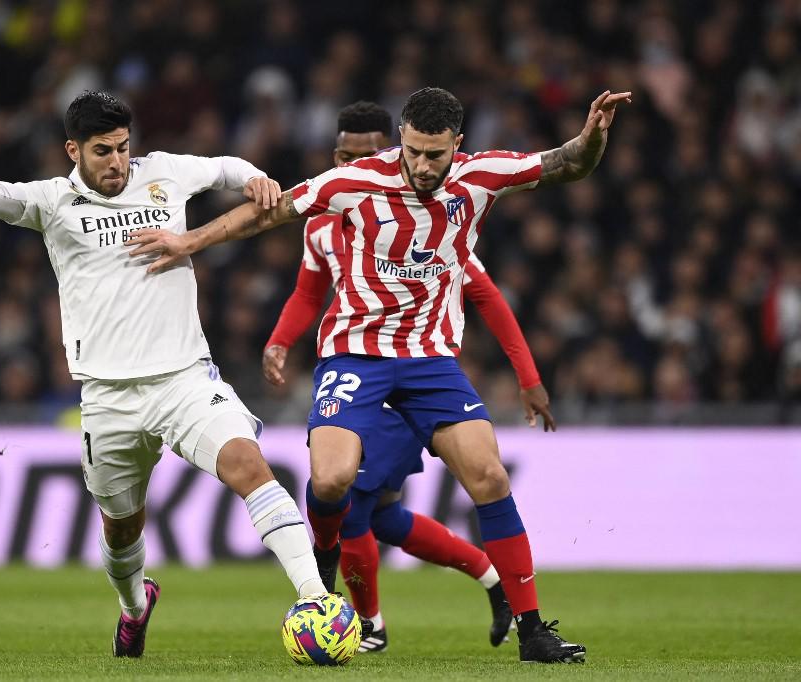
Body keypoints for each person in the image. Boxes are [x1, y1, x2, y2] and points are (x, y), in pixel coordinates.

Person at [129, 86, 631, 663]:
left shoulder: (481, 176)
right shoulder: (354, 182)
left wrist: (592, 138)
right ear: (402, 141)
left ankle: (533, 629)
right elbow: (270, 212)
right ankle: (323, 558)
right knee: (332, 481)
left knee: (489, 476)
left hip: (430, 361)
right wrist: (189, 240)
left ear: (456, 147)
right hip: (352, 355)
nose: (422, 165)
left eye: (434, 155)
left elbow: (567, 163)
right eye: (413, 151)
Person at [0, 90, 330, 659]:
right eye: (103, 152)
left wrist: (257, 179)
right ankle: (134, 606)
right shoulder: (54, 201)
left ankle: (316, 599)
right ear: (73, 150)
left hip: (184, 378)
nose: (118, 163)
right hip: (106, 396)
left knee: (251, 466)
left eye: (124, 148)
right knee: (121, 528)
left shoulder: (165, 173)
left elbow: (226, 167)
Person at [261, 102, 555, 653]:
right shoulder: (325, 227)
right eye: (345, 156)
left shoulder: (433, 224)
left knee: (357, 503)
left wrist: (527, 373)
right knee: (381, 514)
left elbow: (486, 295)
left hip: (414, 375)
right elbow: (307, 294)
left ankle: (366, 623)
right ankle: (490, 580)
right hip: (358, 365)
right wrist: (280, 340)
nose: (356, 165)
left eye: (366, 154)